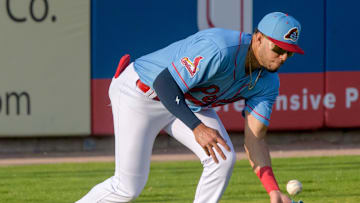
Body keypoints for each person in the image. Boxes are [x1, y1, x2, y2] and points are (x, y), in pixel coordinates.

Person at [77, 12, 304, 203]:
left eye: (290, 52)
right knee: (127, 187)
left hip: (186, 103)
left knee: (222, 159)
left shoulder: (268, 82)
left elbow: (255, 138)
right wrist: (197, 127)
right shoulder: (220, 48)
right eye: (278, 49)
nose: (284, 57)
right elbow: (164, 84)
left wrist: (272, 189)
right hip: (139, 95)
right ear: (258, 39)